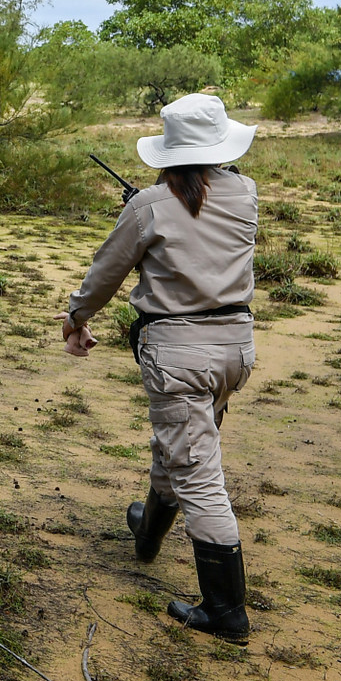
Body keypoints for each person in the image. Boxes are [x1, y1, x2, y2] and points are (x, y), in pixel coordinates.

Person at [59, 93, 258, 645]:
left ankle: (226, 612)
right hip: (234, 349)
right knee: (183, 442)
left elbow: (107, 272)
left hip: (178, 355)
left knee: (197, 471)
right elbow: (201, 216)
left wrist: (76, 317)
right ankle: (147, 533)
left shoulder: (149, 205)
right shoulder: (245, 192)